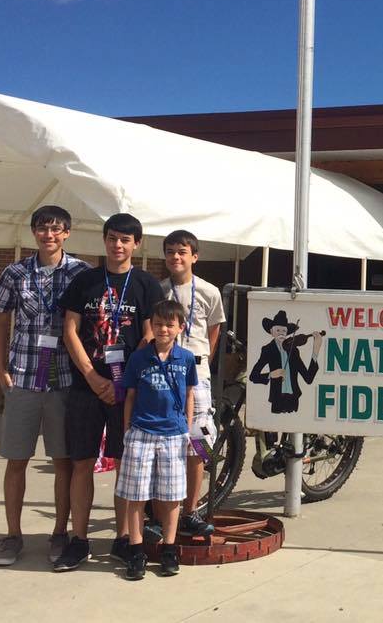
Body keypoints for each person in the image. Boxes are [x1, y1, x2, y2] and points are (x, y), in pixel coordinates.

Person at [55, 213, 164, 571]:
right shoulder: (84, 281)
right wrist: (91, 376)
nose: (118, 245)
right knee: (81, 461)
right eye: (112, 238)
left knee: (125, 464)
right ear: (104, 240)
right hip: (86, 387)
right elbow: (70, 330)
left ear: (136, 244)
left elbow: (150, 335)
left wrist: (121, 382)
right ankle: (79, 539)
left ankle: (123, 538)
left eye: (125, 240)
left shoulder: (147, 284)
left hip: (128, 390)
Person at [0, 206, 90, 566]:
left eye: (56, 229)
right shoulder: (15, 272)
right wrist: (1, 371)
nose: (49, 234)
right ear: (34, 233)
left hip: (64, 380)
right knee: (17, 460)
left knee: (63, 462)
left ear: (67, 233)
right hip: (25, 377)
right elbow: (0, 321)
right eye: (42, 229)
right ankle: (13, 535)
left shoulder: (81, 273)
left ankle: (59, 532)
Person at [117, 299, 197, 580]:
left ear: (180, 327)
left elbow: (189, 394)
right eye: (158, 323)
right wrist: (128, 431)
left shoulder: (186, 358)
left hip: (174, 433)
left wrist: (187, 428)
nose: (163, 329)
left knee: (172, 495)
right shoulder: (139, 358)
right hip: (141, 432)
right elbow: (130, 396)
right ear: (151, 324)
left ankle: (169, 548)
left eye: (169, 324)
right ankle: (136, 550)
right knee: (136, 494)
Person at [159, 230, 225, 538]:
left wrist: (203, 362)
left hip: (196, 371)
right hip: (165, 371)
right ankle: (162, 511)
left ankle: (191, 510)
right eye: (170, 251)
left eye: (182, 252)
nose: (176, 257)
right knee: (165, 440)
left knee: (197, 443)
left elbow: (214, 329)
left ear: (194, 256)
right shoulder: (159, 290)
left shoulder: (209, 292)